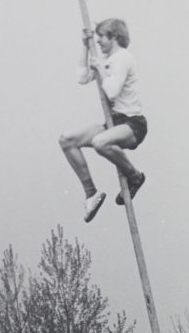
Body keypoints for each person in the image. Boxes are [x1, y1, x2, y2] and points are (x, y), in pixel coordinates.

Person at [59, 19, 148, 223]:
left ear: (114, 36)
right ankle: (91, 193)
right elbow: (82, 78)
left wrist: (99, 67)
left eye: (101, 37)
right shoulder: (107, 59)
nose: (97, 42)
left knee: (100, 142)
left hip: (132, 123)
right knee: (67, 140)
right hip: (114, 123)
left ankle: (135, 176)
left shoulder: (123, 58)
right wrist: (84, 47)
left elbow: (112, 91)